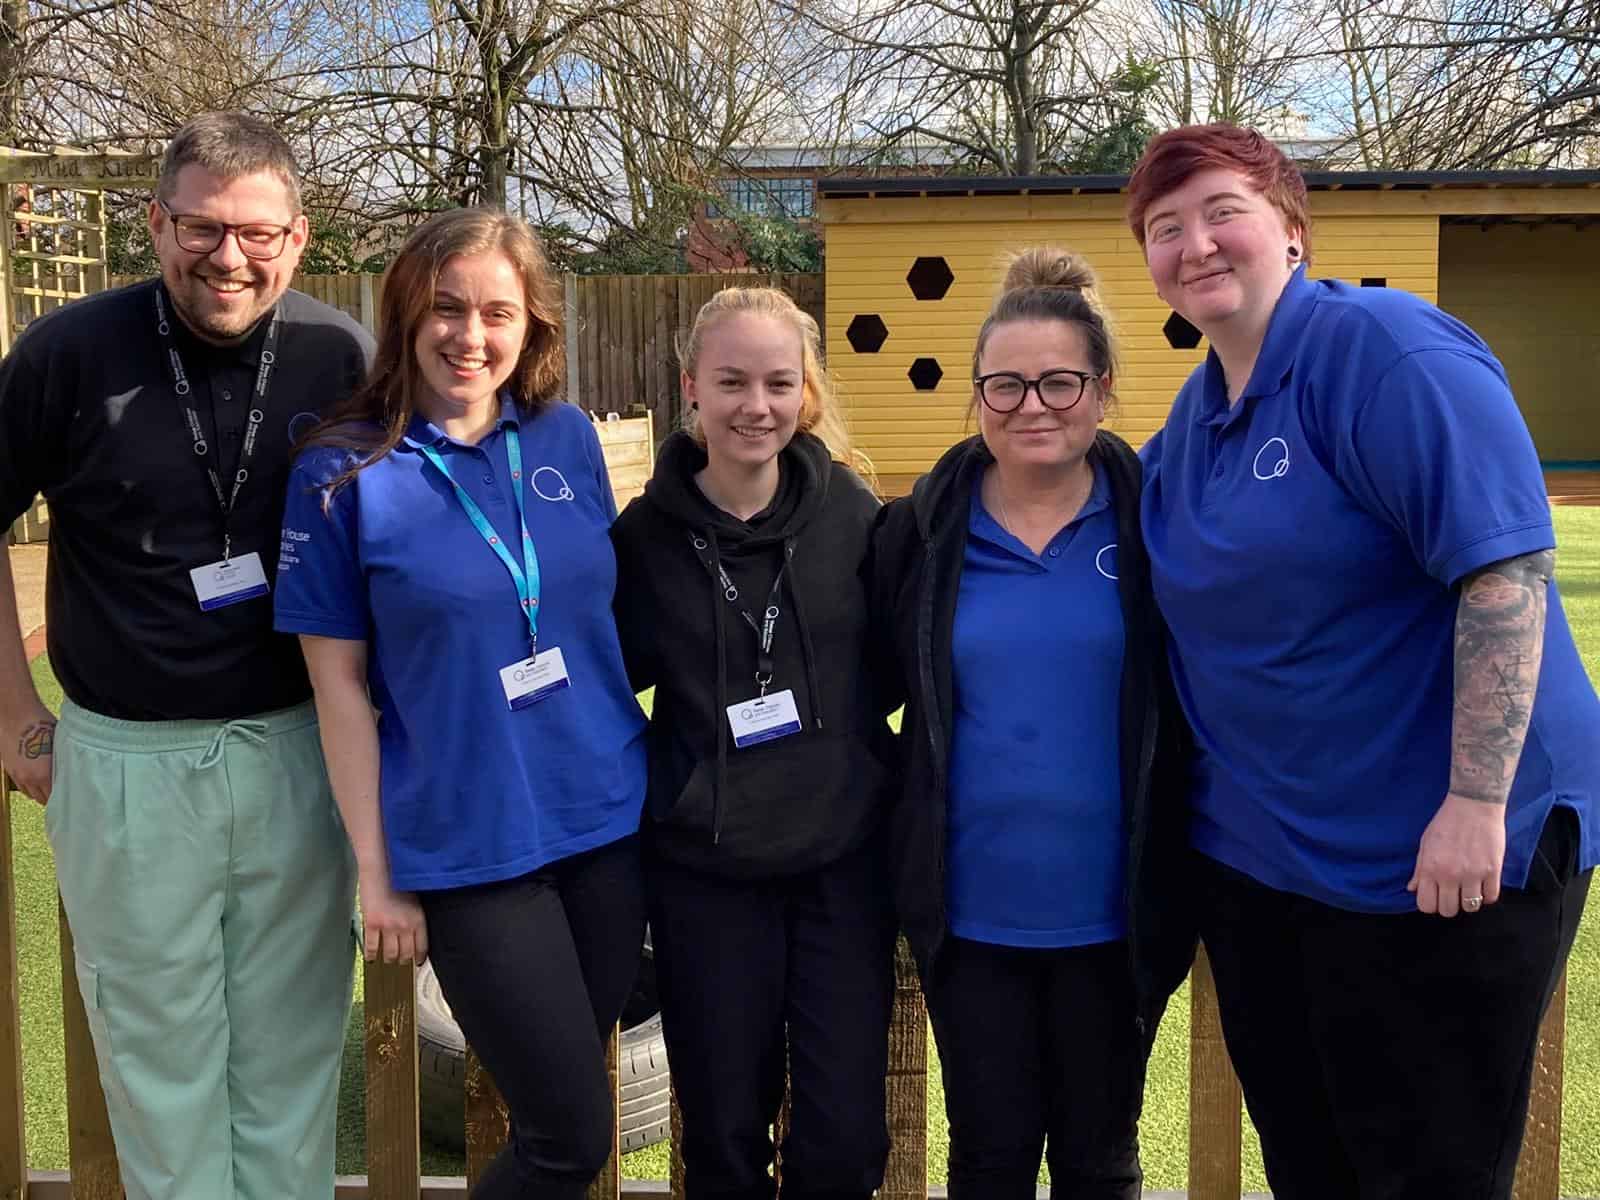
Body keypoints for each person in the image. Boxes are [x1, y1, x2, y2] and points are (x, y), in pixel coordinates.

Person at [1129, 123, 1599, 1198]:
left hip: (1439, 868)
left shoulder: (1385, 354)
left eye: (1222, 213)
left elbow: (1502, 579)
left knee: (1422, 1174)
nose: (1195, 243)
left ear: (1290, 232)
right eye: (1164, 227)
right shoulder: (1199, 416)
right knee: (1310, 1167)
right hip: (1271, 871)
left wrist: (1473, 802)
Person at [0, 112, 372, 1199]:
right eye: (202, 227)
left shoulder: (338, 354)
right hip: (129, 766)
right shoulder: (66, 354)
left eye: (258, 233)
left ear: (298, 238)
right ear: (155, 224)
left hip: (298, 754)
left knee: (294, 1068)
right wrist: (17, 723)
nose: (230, 257)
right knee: (158, 1078)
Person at [274, 206, 646, 1199]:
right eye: (445, 308)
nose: (469, 336)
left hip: (607, 826)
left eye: (497, 312)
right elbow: (338, 688)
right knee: (569, 1140)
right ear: (405, 312)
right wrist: (377, 875)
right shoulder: (340, 470)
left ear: (532, 327)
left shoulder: (565, 438)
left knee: (563, 1117)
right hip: (472, 846)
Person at [868, 249, 1194, 1199]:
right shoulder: (921, 534)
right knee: (989, 1160)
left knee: (1099, 1162)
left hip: (1116, 915)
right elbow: (867, 693)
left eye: (1058, 381)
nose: (1031, 406)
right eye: (1004, 385)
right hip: (971, 920)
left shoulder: (1156, 525)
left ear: (1100, 390)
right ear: (977, 396)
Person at [609, 287, 897, 1200]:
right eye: (731, 381)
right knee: (725, 1139)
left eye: (778, 383)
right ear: (691, 385)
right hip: (707, 877)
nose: (755, 406)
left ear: (804, 391)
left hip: (841, 871)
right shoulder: (643, 540)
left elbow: (895, 667)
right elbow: (610, 678)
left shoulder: (854, 516)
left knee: (844, 1140)